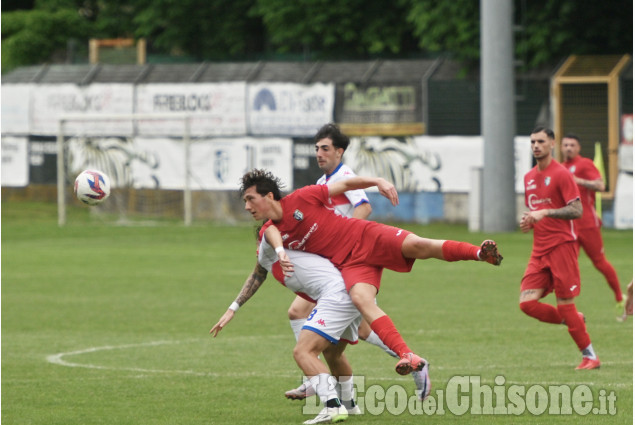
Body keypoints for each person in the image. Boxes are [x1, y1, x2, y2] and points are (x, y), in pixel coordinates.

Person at [239, 168, 503, 378]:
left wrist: (378, 181)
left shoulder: (302, 197)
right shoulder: (268, 232)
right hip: (351, 265)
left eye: (250, 199)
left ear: (269, 196)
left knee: (419, 245)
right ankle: (407, 355)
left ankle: (479, 253)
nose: (248, 206)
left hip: (364, 235)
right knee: (361, 301)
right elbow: (264, 257)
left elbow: (344, 185)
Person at [285, 123, 429, 401]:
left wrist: (344, 233)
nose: (319, 154)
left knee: (298, 311)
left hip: (346, 257)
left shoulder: (345, 175)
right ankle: (413, 362)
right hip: (335, 259)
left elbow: (364, 205)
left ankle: (311, 378)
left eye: (325, 148)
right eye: (316, 149)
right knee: (362, 329)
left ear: (339, 152)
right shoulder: (321, 184)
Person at [210, 238, 363, 424]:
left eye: (261, 243)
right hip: (350, 290)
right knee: (333, 352)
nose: (258, 249)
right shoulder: (275, 253)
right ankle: (349, 404)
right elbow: (258, 275)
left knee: (303, 352)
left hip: (337, 296)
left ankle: (332, 404)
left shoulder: (290, 247)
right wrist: (232, 309)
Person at [519, 127, 600, 370]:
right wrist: (529, 220)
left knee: (565, 302)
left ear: (552, 143)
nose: (536, 146)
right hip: (539, 250)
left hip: (562, 247)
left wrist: (546, 212)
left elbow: (577, 210)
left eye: (541, 141)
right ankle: (573, 320)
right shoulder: (528, 178)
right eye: (532, 141)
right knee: (527, 303)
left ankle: (590, 356)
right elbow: (536, 212)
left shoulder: (561, 174)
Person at [560, 134, 624, 315]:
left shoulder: (585, 164)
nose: (568, 148)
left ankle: (620, 297)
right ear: (560, 147)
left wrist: (578, 180)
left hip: (587, 223)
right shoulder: (559, 168)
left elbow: (600, 185)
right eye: (565, 145)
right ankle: (568, 307)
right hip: (569, 226)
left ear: (578, 148)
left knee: (599, 262)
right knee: (568, 265)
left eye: (572, 145)